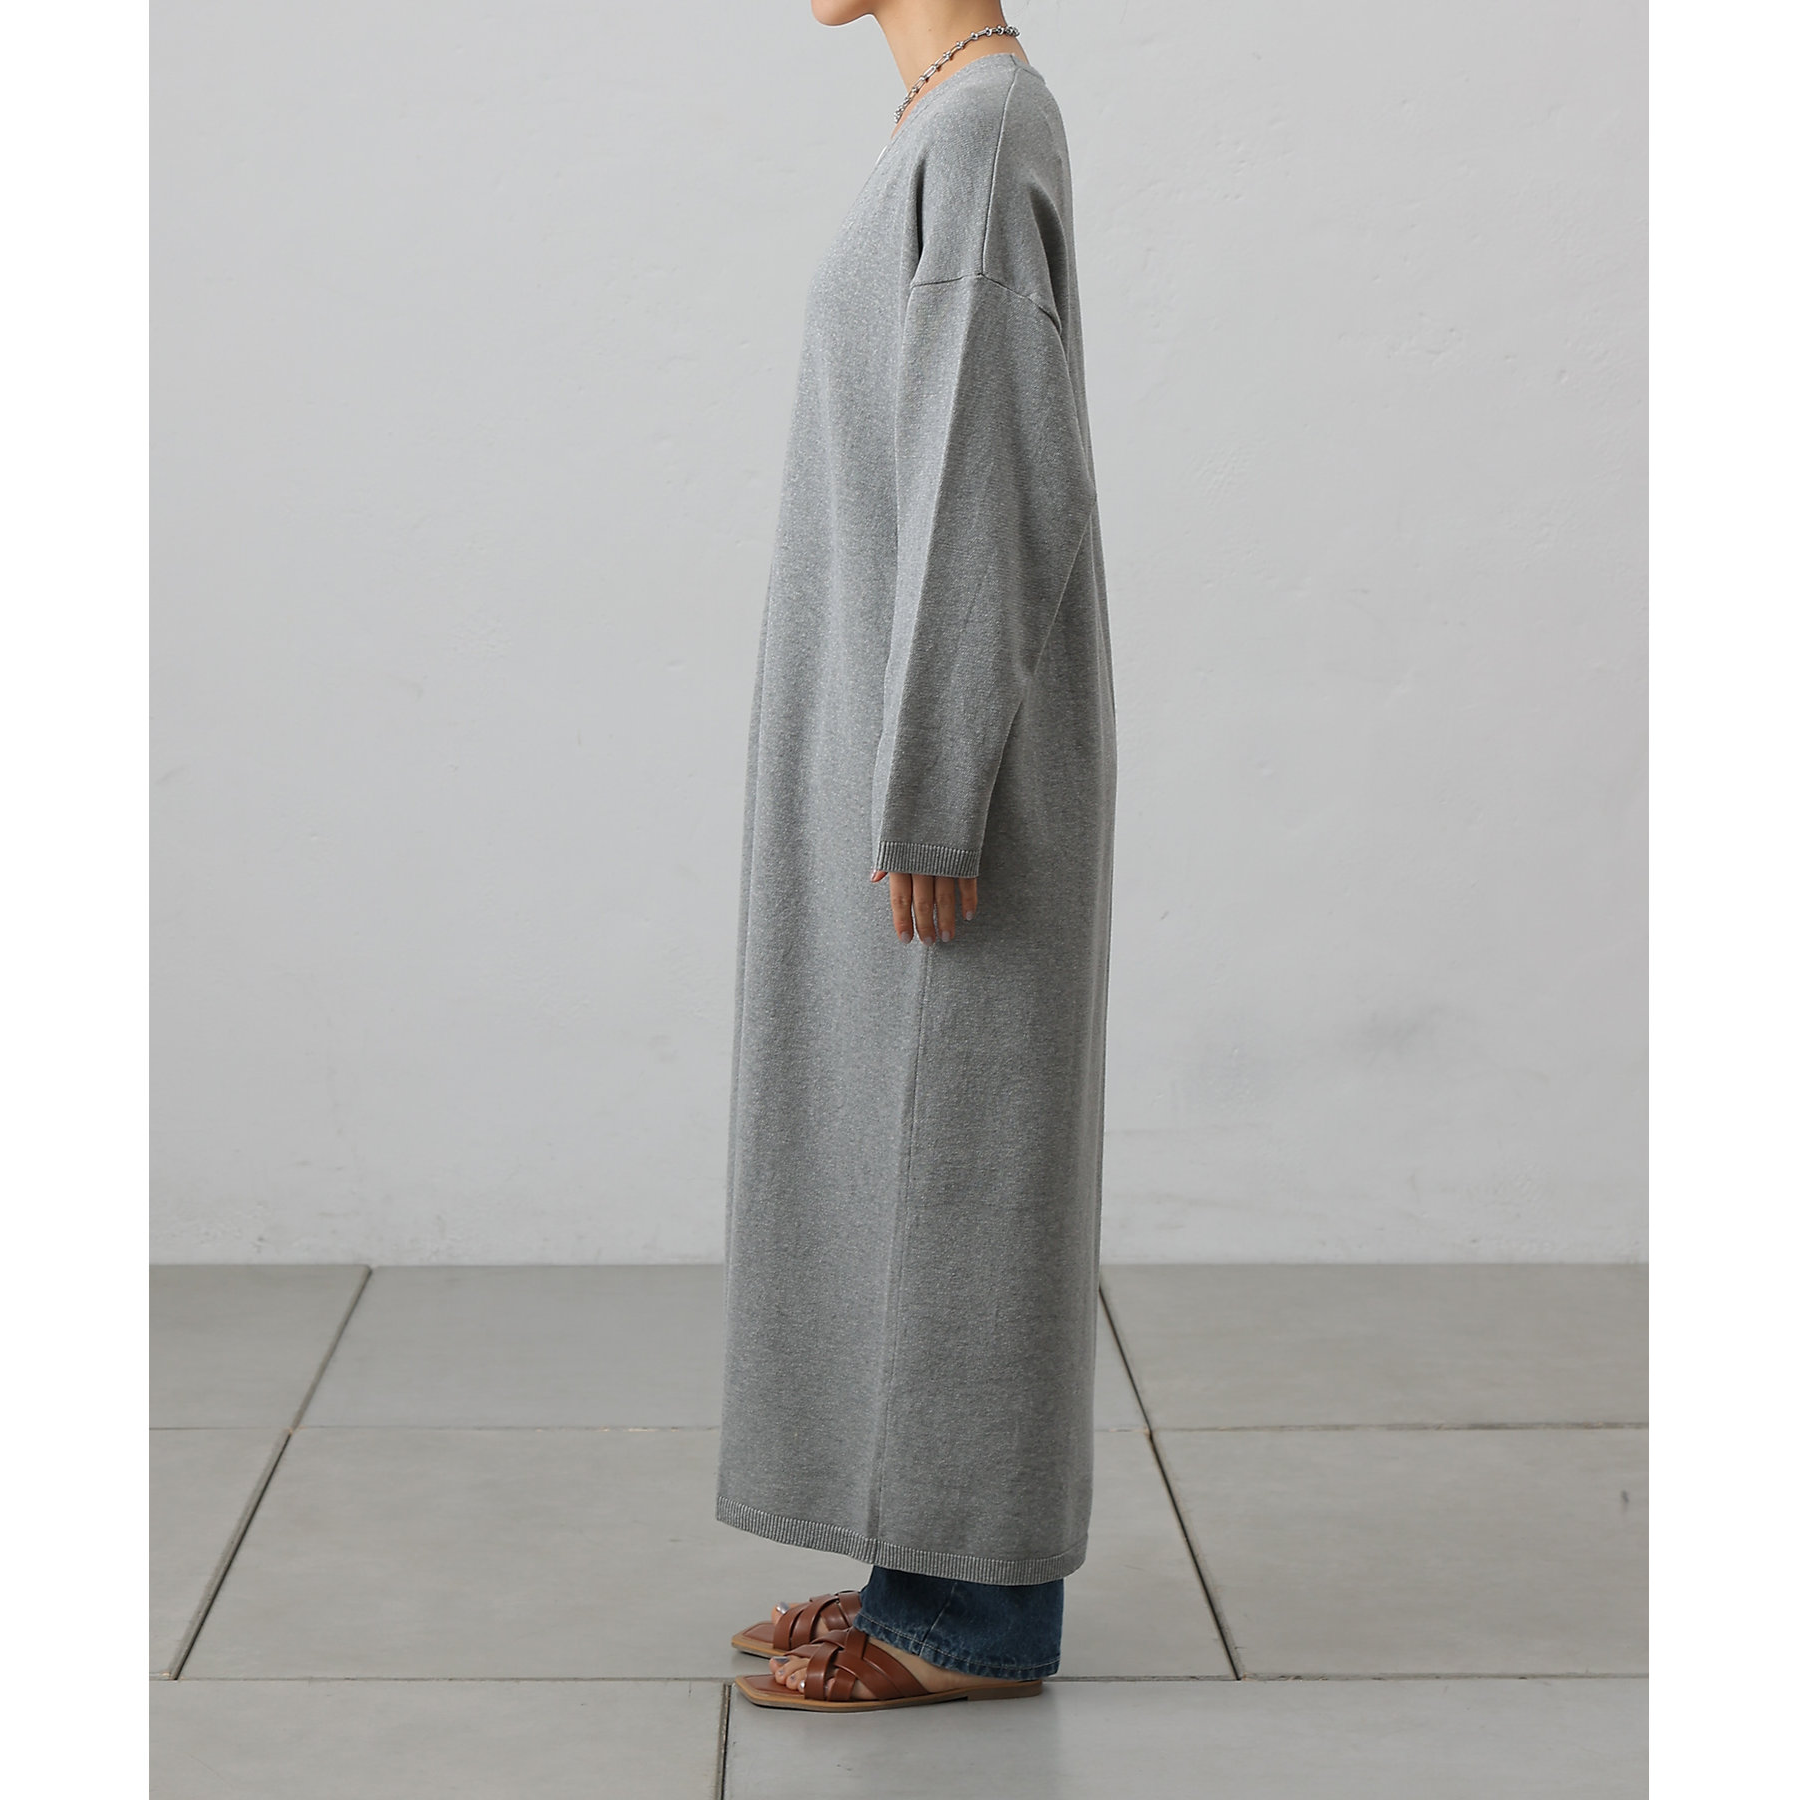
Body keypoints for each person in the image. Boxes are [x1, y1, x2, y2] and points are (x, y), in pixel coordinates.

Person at [718, 0, 1116, 1713]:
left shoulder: (982, 128)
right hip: (887, 737)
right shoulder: (947, 126)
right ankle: (916, 1559)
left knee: (961, 1154)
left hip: (943, 759)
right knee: (902, 1145)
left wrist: (936, 782)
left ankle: (970, 1618)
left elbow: (989, 467)